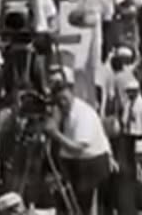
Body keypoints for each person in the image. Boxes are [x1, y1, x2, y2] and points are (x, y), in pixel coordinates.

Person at [45, 77, 113, 214]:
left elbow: (78, 148)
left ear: (71, 93)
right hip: (71, 162)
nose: (62, 103)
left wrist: (55, 133)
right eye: (59, 100)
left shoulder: (83, 114)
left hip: (89, 164)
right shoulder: (63, 111)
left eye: (65, 98)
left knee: (82, 205)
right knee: (65, 202)